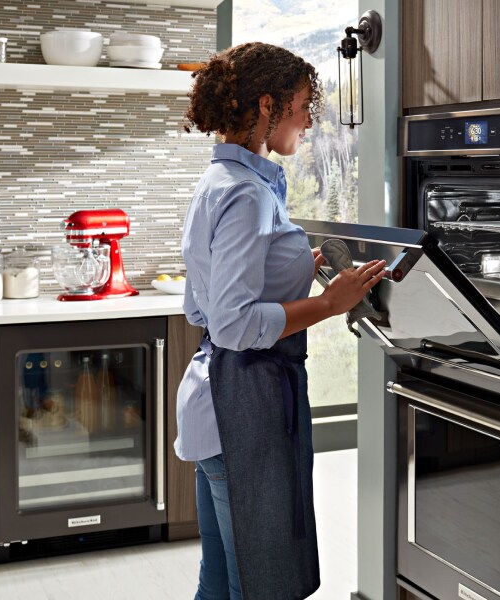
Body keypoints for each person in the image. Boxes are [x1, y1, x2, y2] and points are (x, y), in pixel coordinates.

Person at [175, 42, 386, 600]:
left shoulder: (219, 183)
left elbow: (201, 306)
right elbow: (233, 325)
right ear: (268, 104)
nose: (309, 121)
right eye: (302, 105)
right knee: (263, 587)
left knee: (221, 580)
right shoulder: (247, 195)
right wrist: (329, 303)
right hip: (242, 410)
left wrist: (293, 272)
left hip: (217, 403)